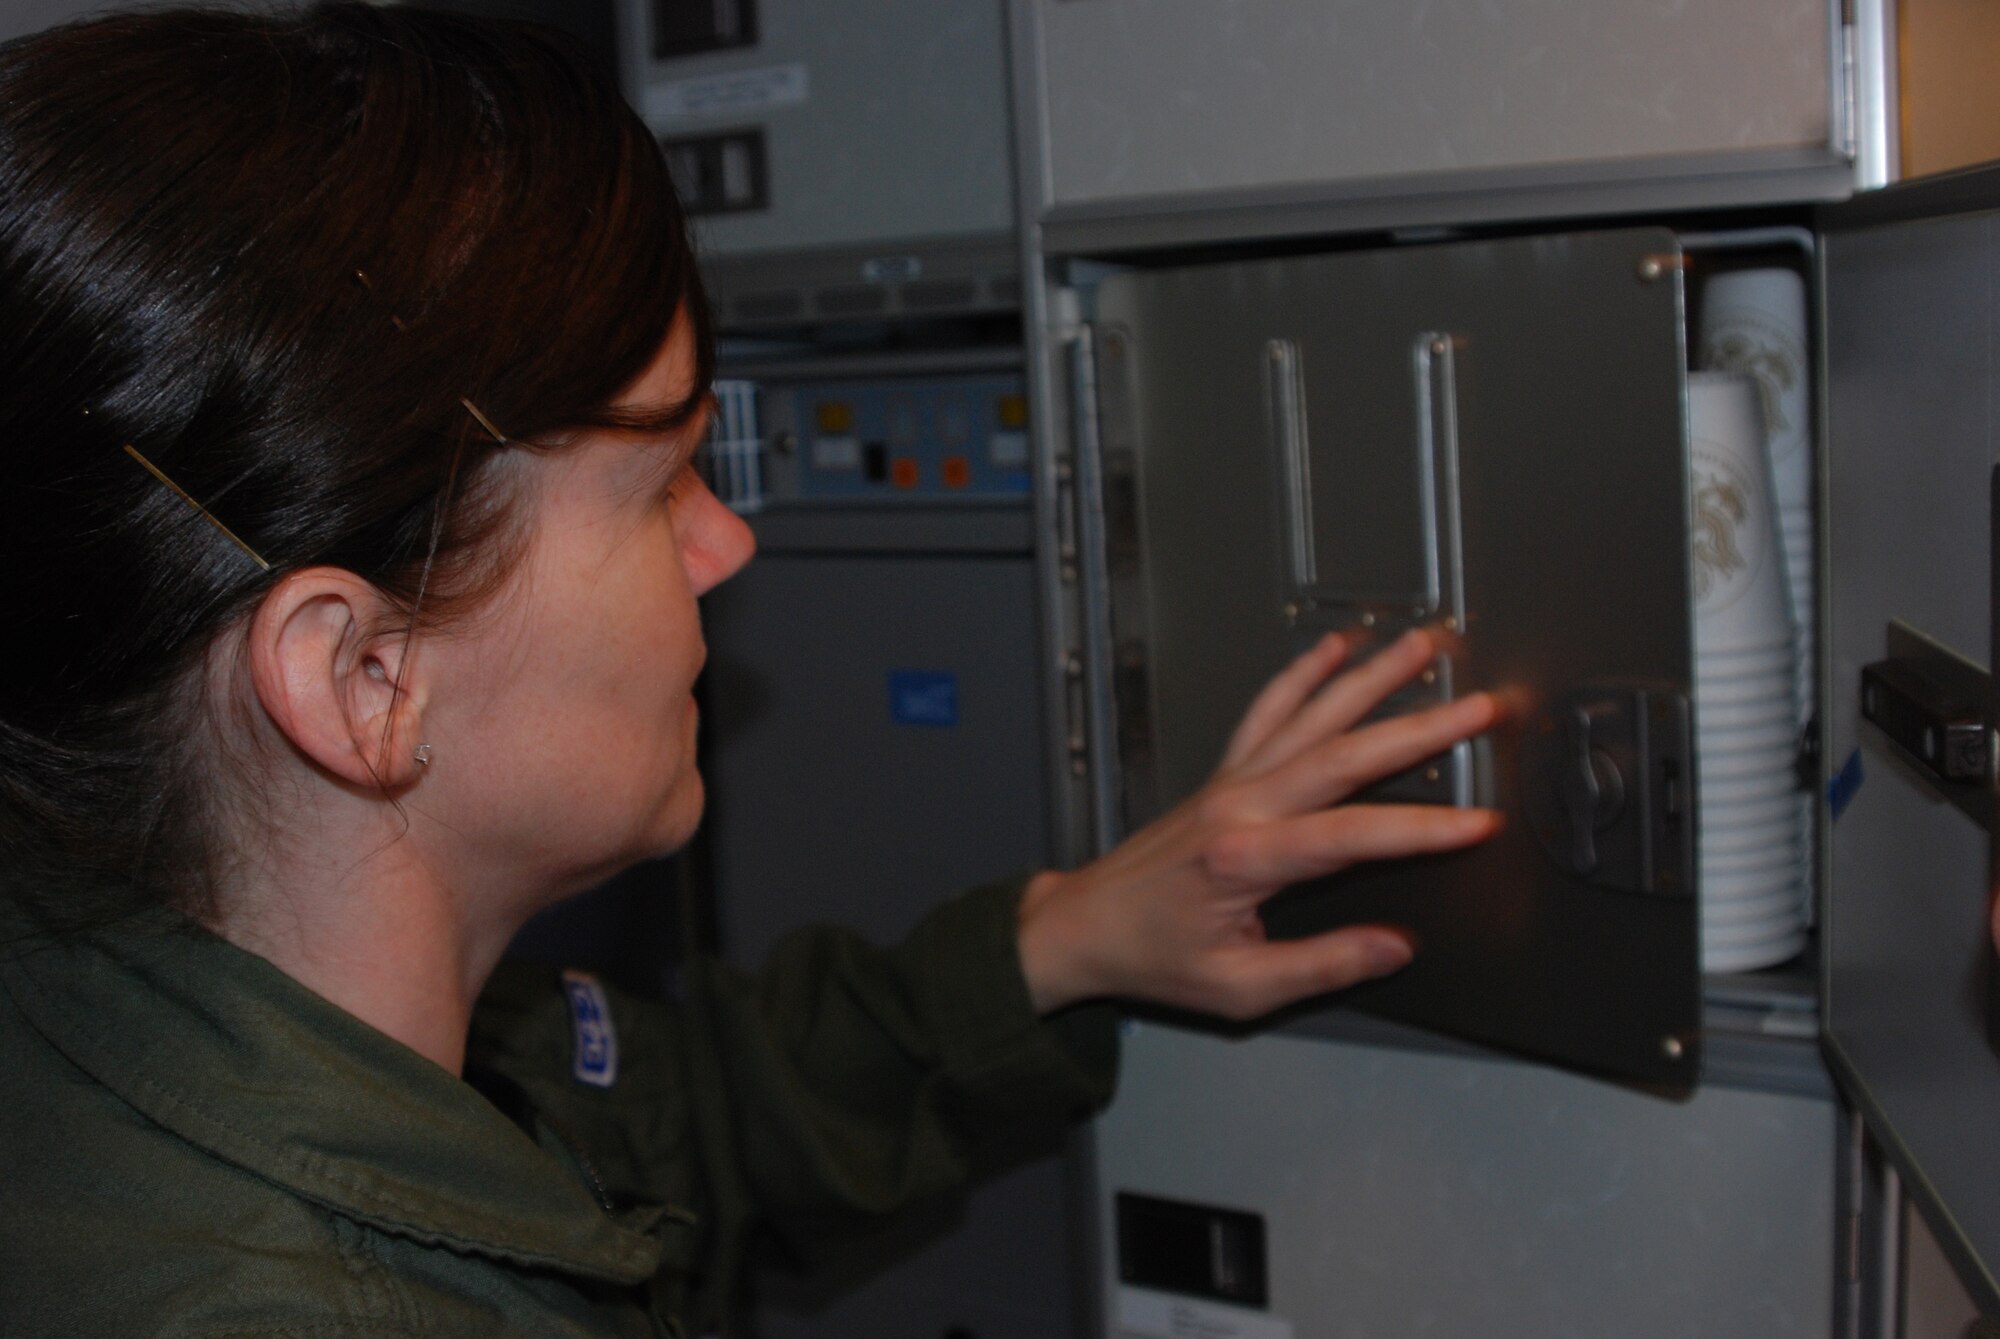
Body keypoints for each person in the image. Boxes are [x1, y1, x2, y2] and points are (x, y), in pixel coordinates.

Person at [0, 5, 1500, 1334]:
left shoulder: (108, 989)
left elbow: (651, 1117)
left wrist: (1071, 941)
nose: (725, 546)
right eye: (661, 489)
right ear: (366, 676)